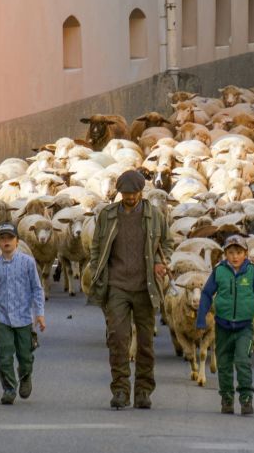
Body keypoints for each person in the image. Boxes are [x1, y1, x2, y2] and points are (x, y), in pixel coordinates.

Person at [88, 170, 173, 410]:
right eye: (125, 194)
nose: (130, 197)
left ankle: (143, 391)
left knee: (145, 343)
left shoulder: (154, 215)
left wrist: (160, 262)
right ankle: (120, 391)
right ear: (119, 193)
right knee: (118, 339)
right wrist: (96, 269)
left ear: (141, 192)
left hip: (146, 286)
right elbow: (96, 246)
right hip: (117, 286)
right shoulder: (108, 215)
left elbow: (167, 243)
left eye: (134, 193)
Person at [196, 235, 254, 415]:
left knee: (242, 361)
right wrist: (201, 319)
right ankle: (227, 398)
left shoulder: (252, 272)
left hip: (244, 327)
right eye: (231, 253)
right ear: (225, 254)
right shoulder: (219, 271)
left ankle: (246, 398)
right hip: (222, 326)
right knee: (224, 364)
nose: (235, 256)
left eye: (239, 252)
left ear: (245, 254)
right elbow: (206, 294)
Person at [0, 223, 46, 405]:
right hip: (2, 317)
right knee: (4, 355)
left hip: (23, 317)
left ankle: (25, 375)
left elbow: (37, 288)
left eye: (10, 238)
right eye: (2, 238)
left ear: (17, 241)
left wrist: (39, 313)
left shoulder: (28, 262)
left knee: (25, 356)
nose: (6, 242)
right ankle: (9, 389)